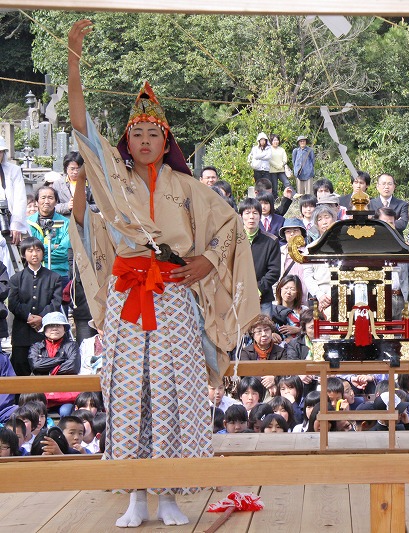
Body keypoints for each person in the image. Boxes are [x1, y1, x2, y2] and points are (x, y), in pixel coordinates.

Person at [67, 19, 259, 528]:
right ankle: (135, 495)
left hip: (174, 294)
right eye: (137, 133)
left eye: (155, 133)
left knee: (178, 390)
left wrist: (208, 260)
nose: (145, 139)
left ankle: (171, 492)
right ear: (126, 141)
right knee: (130, 391)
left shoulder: (188, 186)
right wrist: (74, 59)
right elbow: (83, 127)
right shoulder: (114, 180)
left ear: (166, 138)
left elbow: (230, 228)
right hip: (131, 294)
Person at [8, 237, 62, 377]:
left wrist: (41, 317)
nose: (34, 254)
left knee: (44, 370)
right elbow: (13, 303)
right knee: (20, 368)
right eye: (30, 250)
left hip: (45, 332)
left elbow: (56, 302)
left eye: (38, 250)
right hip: (21, 333)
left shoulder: (54, 277)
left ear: (43, 253)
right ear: (23, 254)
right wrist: (28, 316)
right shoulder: (16, 279)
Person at [238, 198, 281, 316]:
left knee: (264, 331)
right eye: (247, 213)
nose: (251, 217)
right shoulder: (233, 240)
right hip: (237, 296)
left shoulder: (271, 241)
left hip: (263, 298)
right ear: (241, 216)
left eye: (255, 213)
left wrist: (257, 290)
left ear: (260, 216)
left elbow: (274, 272)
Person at [27, 186, 71, 287]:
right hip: (33, 273)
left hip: (59, 273)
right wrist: (53, 246)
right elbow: (26, 250)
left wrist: (38, 253)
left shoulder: (66, 223)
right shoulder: (28, 223)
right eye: (43, 198)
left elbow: (63, 252)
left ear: (56, 202)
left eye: (50, 198)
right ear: (37, 202)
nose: (46, 201)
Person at [0, 137, 29, 274]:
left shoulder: (13, 170)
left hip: (8, 220)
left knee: (10, 264)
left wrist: (16, 224)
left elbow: (20, 199)